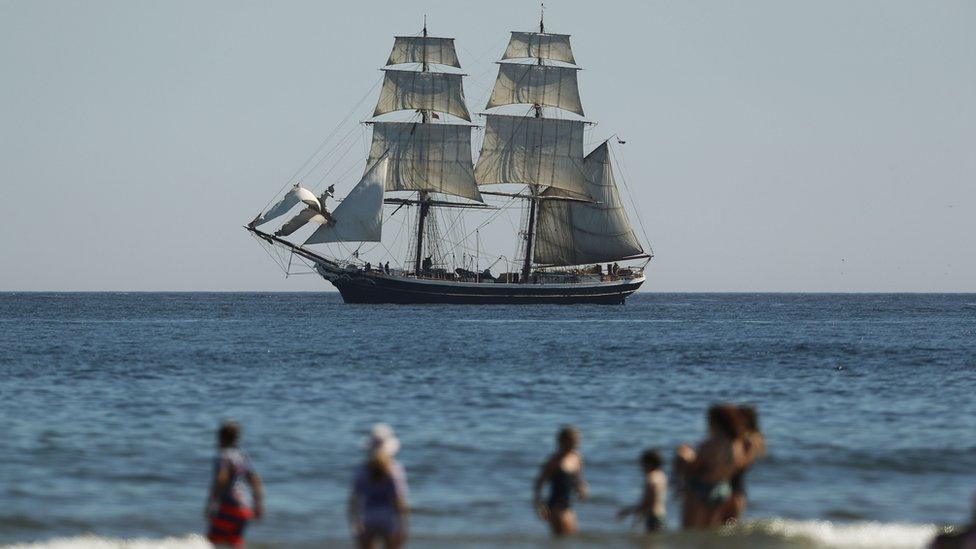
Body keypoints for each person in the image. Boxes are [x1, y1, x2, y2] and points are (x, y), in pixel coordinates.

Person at [674, 404, 750, 529]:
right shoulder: (736, 445)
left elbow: (694, 467)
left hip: (701, 489)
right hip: (722, 488)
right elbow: (738, 466)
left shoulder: (710, 444)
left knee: (688, 529)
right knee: (711, 530)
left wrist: (685, 455)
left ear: (716, 422)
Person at [349, 424, 409, 549]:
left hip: (368, 516)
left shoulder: (363, 470)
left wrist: (354, 523)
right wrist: (403, 528)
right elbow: (399, 501)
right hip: (389, 518)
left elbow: (354, 500)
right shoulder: (395, 469)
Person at [205, 421, 264, 548]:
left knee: (212, 542)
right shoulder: (243, 456)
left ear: (220, 438)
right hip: (244, 508)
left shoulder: (223, 456)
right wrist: (258, 504)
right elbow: (255, 480)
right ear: (237, 438)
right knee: (235, 543)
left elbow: (222, 479)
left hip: (228, 505)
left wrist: (211, 503)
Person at [533, 426, 588, 537]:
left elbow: (577, 479)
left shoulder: (577, 458)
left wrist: (581, 489)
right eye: (573, 442)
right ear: (563, 441)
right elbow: (539, 483)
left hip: (568, 505)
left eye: (577, 442)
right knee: (560, 537)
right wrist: (539, 505)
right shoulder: (554, 461)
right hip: (555, 507)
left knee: (571, 538)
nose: (576, 445)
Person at [723, 405, 765, 524]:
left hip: (734, 491)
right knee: (729, 526)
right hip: (736, 489)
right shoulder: (752, 439)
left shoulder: (749, 440)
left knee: (728, 526)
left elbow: (741, 463)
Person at [617, 449, 667, 533]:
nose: (641, 467)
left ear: (649, 464)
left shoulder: (650, 479)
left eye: (642, 464)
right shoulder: (661, 476)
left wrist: (628, 511)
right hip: (662, 515)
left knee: (651, 544)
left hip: (653, 517)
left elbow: (645, 503)